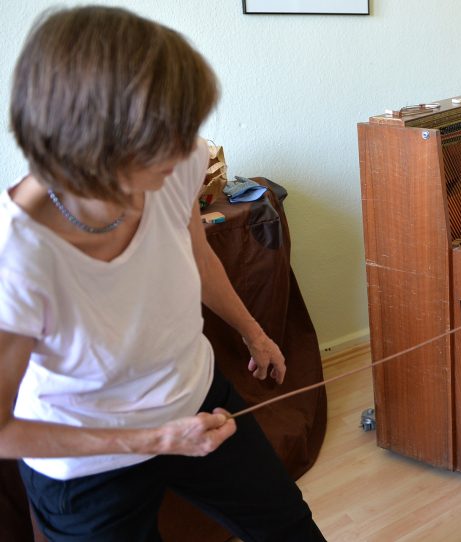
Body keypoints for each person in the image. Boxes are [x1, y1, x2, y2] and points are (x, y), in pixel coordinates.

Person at [0, 6, 324, 541]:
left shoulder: (179, 162)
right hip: (86, 465)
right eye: (166, 135)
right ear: (89, 140)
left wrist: (254, 331)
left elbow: (196, 255)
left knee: (291, 530)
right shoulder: (18, 256)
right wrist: (153, 439)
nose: (188, 150)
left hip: (196, 397)